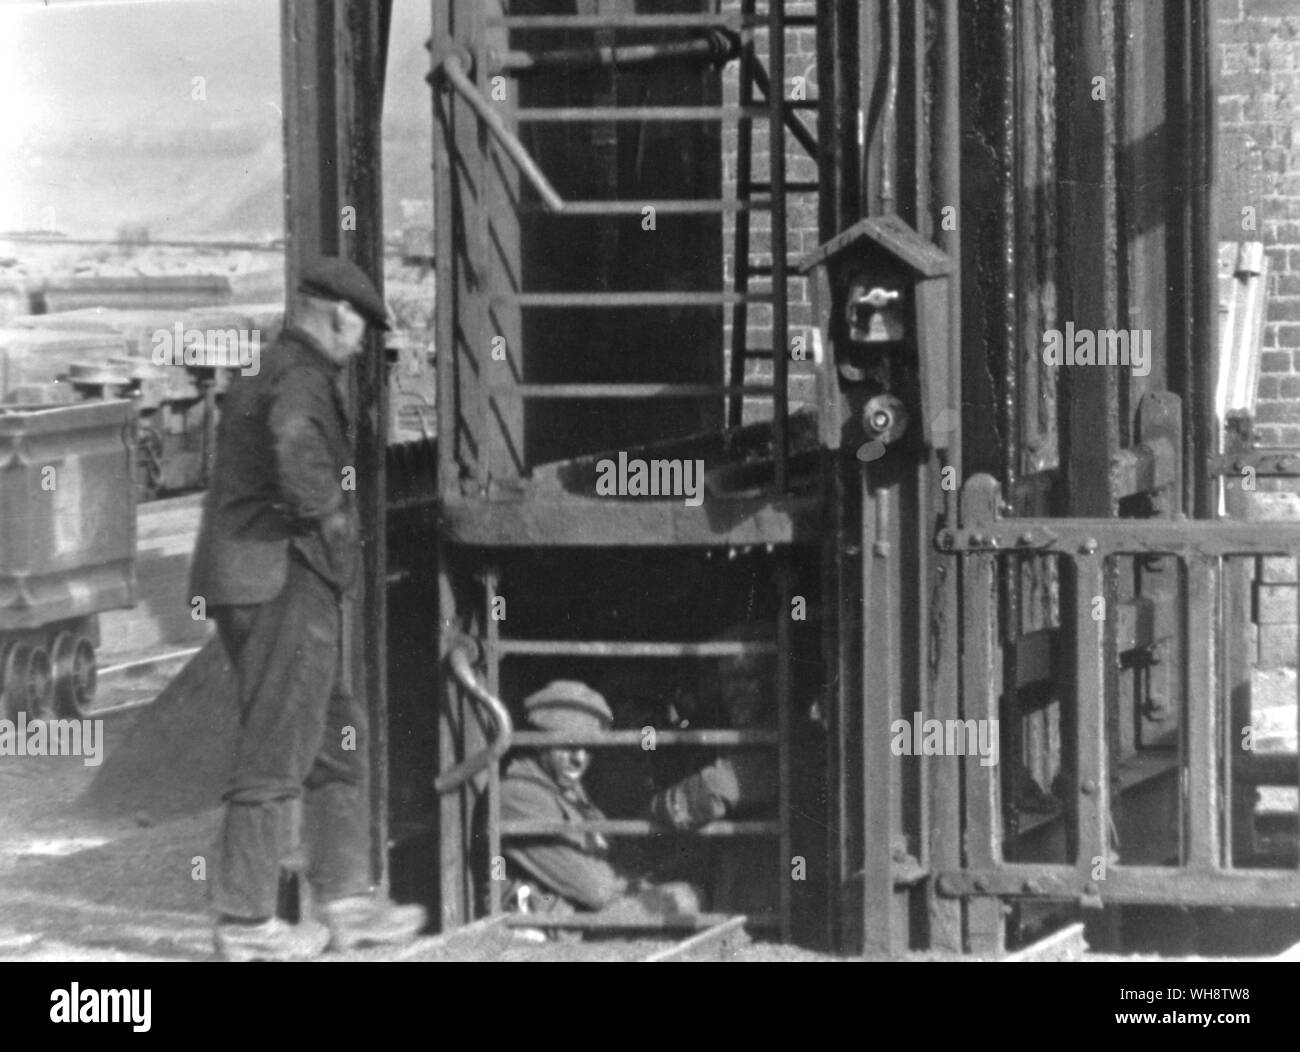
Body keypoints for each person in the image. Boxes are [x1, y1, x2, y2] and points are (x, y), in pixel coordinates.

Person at [191, 256, 425, 961]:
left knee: (335, 738)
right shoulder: (300, 377)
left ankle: (348, 901)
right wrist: (330, 518)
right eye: (362, 328)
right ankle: (245, 923)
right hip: (280, 579)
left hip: (281, 578)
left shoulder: (276, 366)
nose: (363, 344)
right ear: (337, 315)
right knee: (277, 747)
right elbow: (296, 446)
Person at [498, 680, 699, 926]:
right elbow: (594, 888)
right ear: (540, 740)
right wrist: (641, 886)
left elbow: (614, 849)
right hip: (548, 933)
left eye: (589, 748)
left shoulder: (566, 789)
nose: (579, 759)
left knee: (692, 880)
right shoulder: (518, 794)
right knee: (683, 899)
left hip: (580, 914)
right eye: (568, 745)